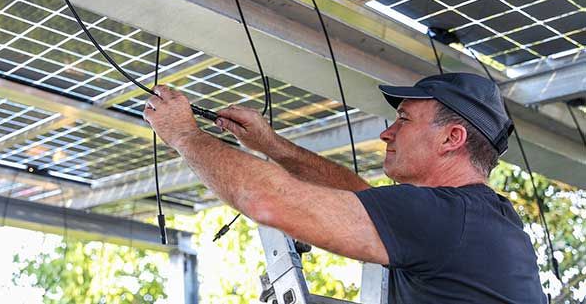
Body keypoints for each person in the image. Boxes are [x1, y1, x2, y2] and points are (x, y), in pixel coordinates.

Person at [143, 72, 547, 303]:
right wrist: (272, 146)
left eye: (404, 120)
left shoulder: (448, 217)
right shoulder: (477, 217)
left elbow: (268, 200)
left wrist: (184, 136)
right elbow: (365, 200)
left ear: (452, 138)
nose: (387, 133)